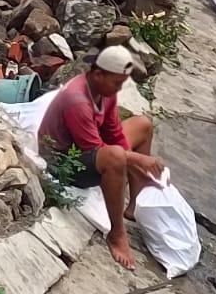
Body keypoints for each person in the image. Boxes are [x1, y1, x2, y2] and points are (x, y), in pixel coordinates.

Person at [38, 45, 163, 270]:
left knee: (142, 125)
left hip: (87, 149)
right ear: (98, 74)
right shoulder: (76, 101)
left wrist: (134, 161)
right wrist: (136, 160)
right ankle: (116, 234)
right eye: (116, 83)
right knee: (115, 157)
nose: (119, 88)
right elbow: (95, 148)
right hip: (64, 161)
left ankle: (133, 206)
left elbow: (114, 132)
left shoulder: (105, 92)